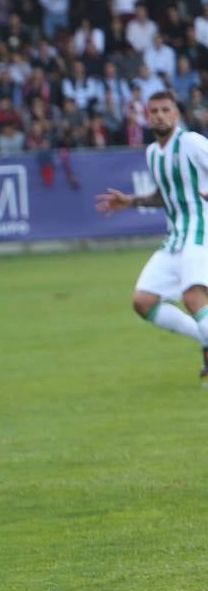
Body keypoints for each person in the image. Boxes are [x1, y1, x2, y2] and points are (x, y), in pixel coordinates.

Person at [95, 91, 208, 380]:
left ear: (176, 114)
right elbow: (165, 195)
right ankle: (204, 339)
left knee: (193, 296)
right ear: (147, 116)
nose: (159, 115)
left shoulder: (192, 143)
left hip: (201, 231)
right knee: (143, 302)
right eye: (154, 110)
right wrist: (131, 201)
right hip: (175, 238)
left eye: (165, 110)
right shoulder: (153, 153)